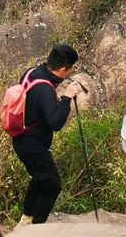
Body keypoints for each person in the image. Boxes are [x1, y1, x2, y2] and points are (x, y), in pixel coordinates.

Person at [12, 44, 82, 226]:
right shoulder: (45, 89)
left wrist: (55, 98)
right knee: (52, 185)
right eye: (69, 71)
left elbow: (34, 104)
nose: (69, 74)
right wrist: (66, 98)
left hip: (21, 138)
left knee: (40, 177)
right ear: (63, 69)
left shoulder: (31, 73)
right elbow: (56, 123)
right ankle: (37, 226)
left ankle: (26, 220)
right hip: (33, 145)